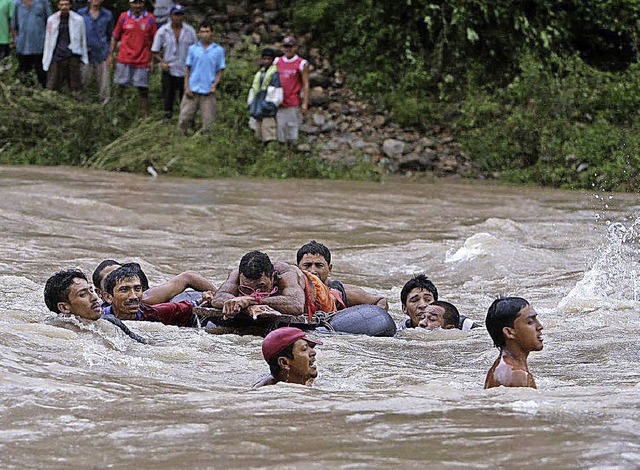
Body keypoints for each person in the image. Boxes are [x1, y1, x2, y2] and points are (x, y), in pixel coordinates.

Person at [209, 250, 336, 321]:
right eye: (247, 288)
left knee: (340, 294)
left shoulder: (286, 273)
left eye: (261, 287)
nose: (254, 292)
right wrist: (239, 304)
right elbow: (218, 298)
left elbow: (296, 305)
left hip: (319, 293)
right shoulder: (236, 274)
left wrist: (251, 300)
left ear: (273, 277)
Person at [44, 269, 147, 343]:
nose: (94, 297)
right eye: (83, 294)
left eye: (91, 290)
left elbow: (144, 344)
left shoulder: (111, 321)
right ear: (64, 308)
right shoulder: (52, 333)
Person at [101, 264, 213, 326]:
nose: (134, 296)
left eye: (137, 289)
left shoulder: (154, 313)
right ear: (108, 297)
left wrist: (206, 299)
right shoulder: (97, 317)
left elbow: (187, 307)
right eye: (124, 290)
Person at [296, 240, 388, 311]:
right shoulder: (289, 291)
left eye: (319, 265)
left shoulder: (348, 294)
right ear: (297, 269)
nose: (313, 271)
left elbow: (381, 301)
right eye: (307, 265)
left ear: (329, 269)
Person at [107, 0, 157, 116]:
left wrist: (151, 60)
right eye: (135, 3)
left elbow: (155, 41)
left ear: (143, 4)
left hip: (142, 60)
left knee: (143, 90)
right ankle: (116, 114)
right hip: (124, 59)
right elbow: (115, 37)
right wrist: (110, 55)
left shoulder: (150, 18)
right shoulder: (123, 17)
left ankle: (145, 116)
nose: (137, 6)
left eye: (139, 3)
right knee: (120, 88)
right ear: (130, 4)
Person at [92, 259, 216, 306]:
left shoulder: (145, 299)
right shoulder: (97, 309)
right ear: (101, 294)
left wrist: (221, 298)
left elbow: (188, 277)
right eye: (110, 279)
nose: (118, 279)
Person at [484, 297, 544, 389]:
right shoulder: (516, 375)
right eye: (530, 322)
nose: (540, 326)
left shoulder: (504, 369)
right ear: (509, 332)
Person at [178, 20, 225, 134]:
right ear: (199, 33)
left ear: (212, 33)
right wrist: (186, 87)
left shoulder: (218, 50)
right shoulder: (193, 49)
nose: (204, 34)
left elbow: (220, 71)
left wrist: (214, 85)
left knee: (209, 122)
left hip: (208, 90)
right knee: (184, 118)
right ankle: (181, 139)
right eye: (202, 32)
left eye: (207, 31)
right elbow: (188, 69)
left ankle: (207, 141)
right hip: (193, 88)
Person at [151, 4, 196, 118]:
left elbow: (195, 51)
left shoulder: (190, 31)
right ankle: (167, 120)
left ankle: (185, 120)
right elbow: (155, 51)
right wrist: (162, 62)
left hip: (185, 70)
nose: (178, 17)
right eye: (176, 15)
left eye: (180, 14)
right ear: (171, 16)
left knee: (185, 98)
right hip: (169, 69)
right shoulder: (163, 31)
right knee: (168, 98)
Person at [42, 0, 88, 92]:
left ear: (70, 5)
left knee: (75, 85)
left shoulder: (78, 19)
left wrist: (84, 57)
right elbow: (48, 39)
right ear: (58, 6)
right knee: (53, 84)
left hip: (73, 54)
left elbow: (83, 39)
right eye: (62, 5)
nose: (64, 7)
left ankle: (76, 101)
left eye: (66, 4)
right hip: (57, 54)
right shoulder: (52, 19)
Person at [253, 326, 321, 387]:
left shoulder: (308, 380)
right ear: (284, 362)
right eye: (304, 349)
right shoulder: (269, 393)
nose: (313, 352)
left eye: (310, 347)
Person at [273, 35, 309, 145]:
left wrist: (305, 103)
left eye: (291, 46)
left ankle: (291, 153)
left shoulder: (301, 63)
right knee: (279, 129)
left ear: (296, 47)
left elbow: (306, 84)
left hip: (293, 101)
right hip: (279, 101)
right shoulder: (277, 61)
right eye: (285, 46)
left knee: (292, 130)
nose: (288, 49)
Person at [78, 0, 112, 103]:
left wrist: (110, 54)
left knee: (104, 85)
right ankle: (83, 107)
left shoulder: (108, 14)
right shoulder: (80, 13)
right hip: (84, 54)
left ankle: (105, 108)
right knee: (83, 82)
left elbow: (110, 36)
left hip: (102, 54)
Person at [247, 47, 282, 142]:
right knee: (258, 134)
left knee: (269, 134)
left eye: (269, 59)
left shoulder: (274, 74)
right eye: (264, 59)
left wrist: (269, 105)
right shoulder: (260, 73)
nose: (266, 61)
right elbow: (254, 89)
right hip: (257, 106)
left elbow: (276, 92)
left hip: (267, 109)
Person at [13, 0, 51, 86]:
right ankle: (27, 93)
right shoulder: (17, 3)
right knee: (25, 74)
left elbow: (50, 22)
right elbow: (14, 25)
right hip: (22, 45)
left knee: (41, 73)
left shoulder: (43, 2)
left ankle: (44, 92)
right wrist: (16, 40)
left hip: (40, 45)